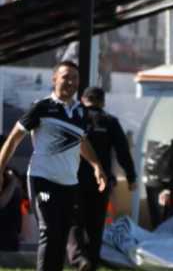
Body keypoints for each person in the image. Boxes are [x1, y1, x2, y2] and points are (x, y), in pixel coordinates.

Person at [0, 61, 108, 271]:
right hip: (42, 180)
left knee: (61, 235)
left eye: (74, 78)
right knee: (48, 229)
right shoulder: (41, 107)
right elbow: (13, 139)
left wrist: (97, 166)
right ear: (54, 79)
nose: (70, 82)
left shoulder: (81, 114)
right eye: (65, 76)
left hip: (68, 184)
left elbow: (82, 141)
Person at [67, 87, 138, 271]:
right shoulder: (110, 122)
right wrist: (131, 176)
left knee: (74, 222)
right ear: (103, 102)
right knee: (95, 225)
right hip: (101, 181)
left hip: (73, 179)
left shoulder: (75, 117)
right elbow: (123, 151)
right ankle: (91, 263)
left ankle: (79, 258)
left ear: (82, 99)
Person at [0, 167, 24, 251]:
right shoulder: (8, 178)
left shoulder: (12, 173)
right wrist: (13, 183)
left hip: (12, 235)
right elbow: (1, 203)